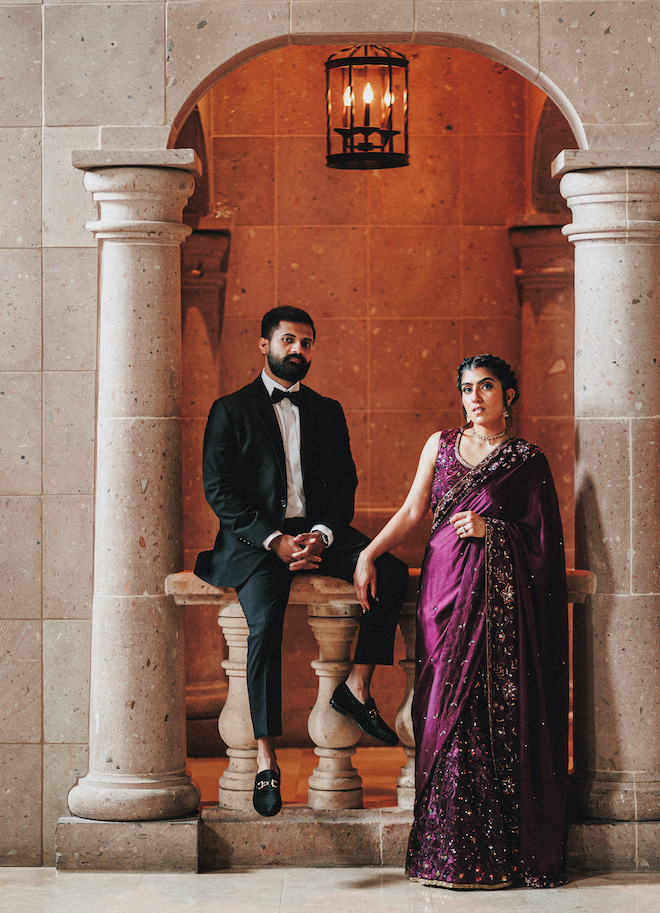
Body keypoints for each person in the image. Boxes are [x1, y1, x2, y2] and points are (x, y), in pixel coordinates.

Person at [353, 354, 569, 889]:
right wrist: (368, 554)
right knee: (442, 714)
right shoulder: (441, 444)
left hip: (498, 607)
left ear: (510, 394)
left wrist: (492, 530)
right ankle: (441, 855)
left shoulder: (528, 460)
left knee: (485, 715)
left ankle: (493, 856)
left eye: (487, 387)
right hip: (443, 593)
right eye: (466, 388)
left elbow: (544, 548)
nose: (474, 397)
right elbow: (412, 513)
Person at [195, 306, 409, 817]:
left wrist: (321, 534)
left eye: (307, 343)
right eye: (288, 340)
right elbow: (219, 490)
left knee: (392, 572)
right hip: (254, 542)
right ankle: (267, 758)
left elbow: (344, 487)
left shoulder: (327, 410)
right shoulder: (230, 410)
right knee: (264, 626)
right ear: (263, 345)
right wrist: (273, 540)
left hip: (318, 535)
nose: (298, 350)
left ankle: (356, 687)